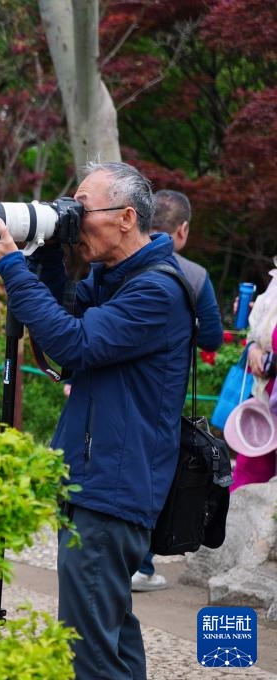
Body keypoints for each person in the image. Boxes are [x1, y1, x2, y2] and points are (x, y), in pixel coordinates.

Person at [0, 162, 191, 680]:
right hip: (103, 477)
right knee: (110, 634)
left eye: (82, 209)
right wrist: (42, 251)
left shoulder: (155, 291)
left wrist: (12, 269)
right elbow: (58, 333)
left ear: (126, 218)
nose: (74, 217)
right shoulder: (115, 278)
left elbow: (76, 343)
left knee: (88, 652)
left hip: (114, 485)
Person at [131, 189, 223, 593]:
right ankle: (141, 563)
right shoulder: (194, 274)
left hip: (108, 386)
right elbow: (213, 339)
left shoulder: (116, 261)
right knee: (154, 473)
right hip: (162, 393)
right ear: (181, 229)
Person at [234, 263, 277, 489]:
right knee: (247, 477)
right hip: (264, 399)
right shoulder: (274, 283)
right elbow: (261, 333)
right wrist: (253, 348)